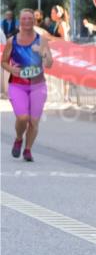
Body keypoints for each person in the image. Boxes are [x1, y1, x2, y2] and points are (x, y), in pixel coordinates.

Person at [2, 9, 53, 162]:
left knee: (34, 121)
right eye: (24, 19)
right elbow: (3, 61)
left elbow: (50, 63)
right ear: (19, 21)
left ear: (34, 21)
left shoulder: (41, 40)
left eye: (30, 19)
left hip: (38, 85)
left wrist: (43, 53)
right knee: (23, 117)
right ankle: (18, 138)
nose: (27, 21)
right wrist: (13, 69)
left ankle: (28, 149)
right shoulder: (12, 41)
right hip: (18, 85)